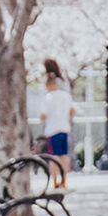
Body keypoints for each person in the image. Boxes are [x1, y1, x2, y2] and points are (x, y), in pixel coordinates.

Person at [40, 58, 75, 188]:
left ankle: (55, 181)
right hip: (64, 128)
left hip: (52, 129)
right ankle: (64, 180)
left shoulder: (48, 98)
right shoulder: (66, 94)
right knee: (63, 156)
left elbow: (43, 115)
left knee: (53, 157)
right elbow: (72, 111)